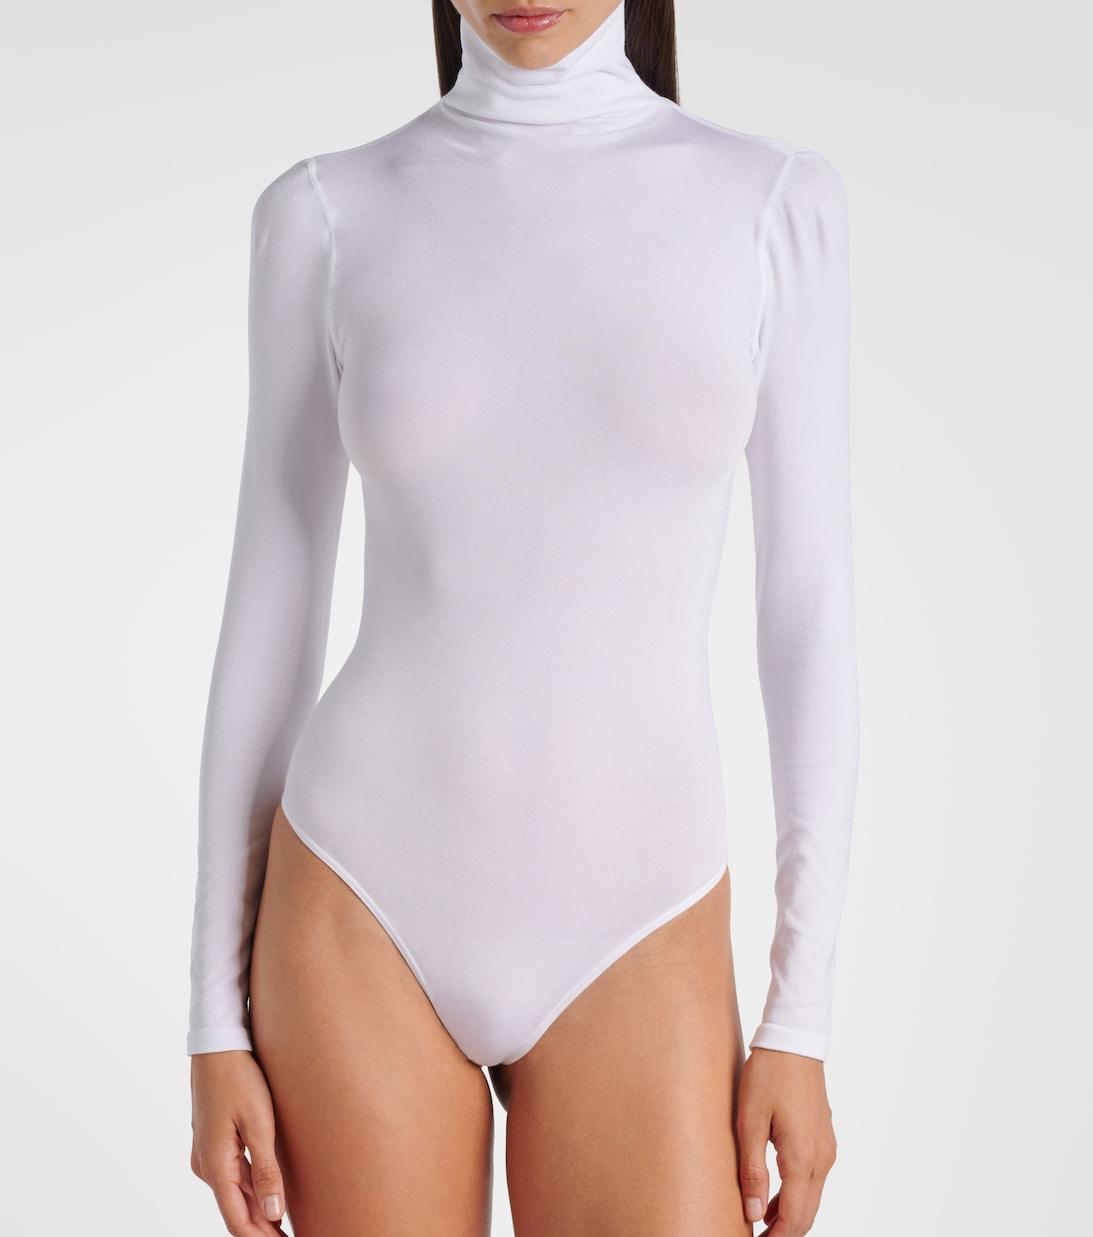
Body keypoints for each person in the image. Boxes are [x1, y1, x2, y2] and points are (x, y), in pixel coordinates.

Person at [187, 1, 859, 1233]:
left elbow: (804, 612)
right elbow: (271, 608)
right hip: (356, 899)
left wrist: (798, 1017)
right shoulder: (324, 213)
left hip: (640, 909)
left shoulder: (767, 204)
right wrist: (212, 1021)